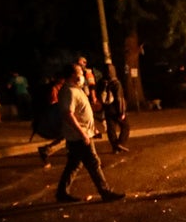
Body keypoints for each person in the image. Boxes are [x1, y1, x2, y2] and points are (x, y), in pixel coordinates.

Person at [55, 62, 124, 203]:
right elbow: (68, 114)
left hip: (83, 133)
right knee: (93, 162)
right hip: (78, 136)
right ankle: (105, 192)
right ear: (72, 74)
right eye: (80, 72)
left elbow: (82, 113)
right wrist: (83, 133)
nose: (82, 75)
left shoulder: (76, 89)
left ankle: (61, 193)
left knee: (74, 164)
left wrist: (92, 129)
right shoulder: (69, 91)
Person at [100, 64, 130, 153]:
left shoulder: (102, 82)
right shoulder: (116, 83)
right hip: (116, 109)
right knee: (125, 126)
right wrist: (122, 112)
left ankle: (114, 147)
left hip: (107, 108)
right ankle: (120, 143)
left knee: (111, 128)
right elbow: (119, 98)